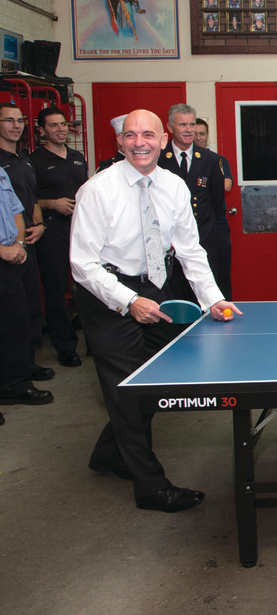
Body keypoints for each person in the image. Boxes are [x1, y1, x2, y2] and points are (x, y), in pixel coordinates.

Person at [70, 109, 240, 512]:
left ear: (163, 140)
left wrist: (213, 298)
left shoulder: (174, 186)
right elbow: (82, 263)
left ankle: (110, 453)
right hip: (107, 293)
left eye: (148, 135)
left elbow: (190, 249)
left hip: (154, 287)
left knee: (158, 380)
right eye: (131, 135)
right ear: (120, 142)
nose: (139, 143)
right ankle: (150, 488)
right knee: (128, 393)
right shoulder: (97, 189)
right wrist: (128, 301)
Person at [0, 103, 53, 408]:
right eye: (8, 120)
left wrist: (27, 235)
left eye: (19, 120)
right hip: (6, 251)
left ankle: (20, 371)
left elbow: (23, 204)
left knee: (24, 314)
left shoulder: (23, 160)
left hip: (21, 247)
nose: (16, 125)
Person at [30, 107, 88, 369]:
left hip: (81, 229)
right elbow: (27, 199)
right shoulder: (34, 161)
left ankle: (94, 342)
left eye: (63, 124)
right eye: (53, 125)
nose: (61, 129)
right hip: (52, 230)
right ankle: (66, 348)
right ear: (42, 131)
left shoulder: (77, 158)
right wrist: (51, 204)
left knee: (87, 285)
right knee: (55, 290)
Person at [158, 105, 226, 304]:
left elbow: (216, 204)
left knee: (202, 297)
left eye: (192, 124)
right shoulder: (158, 158)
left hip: (202, 239)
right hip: (169, 244)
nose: (189, 130)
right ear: (170, 127)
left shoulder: (211, 160)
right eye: (182, 125)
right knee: (173, 298)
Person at [195, 118, 233, 299]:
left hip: (217, 226)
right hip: (192, 227)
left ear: (207, 136)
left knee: (221, 274)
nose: (198, 138)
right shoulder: (183, 162)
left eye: (202, 134)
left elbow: (227, 184)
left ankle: (224, 307)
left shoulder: (217, 160)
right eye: (194, 134)